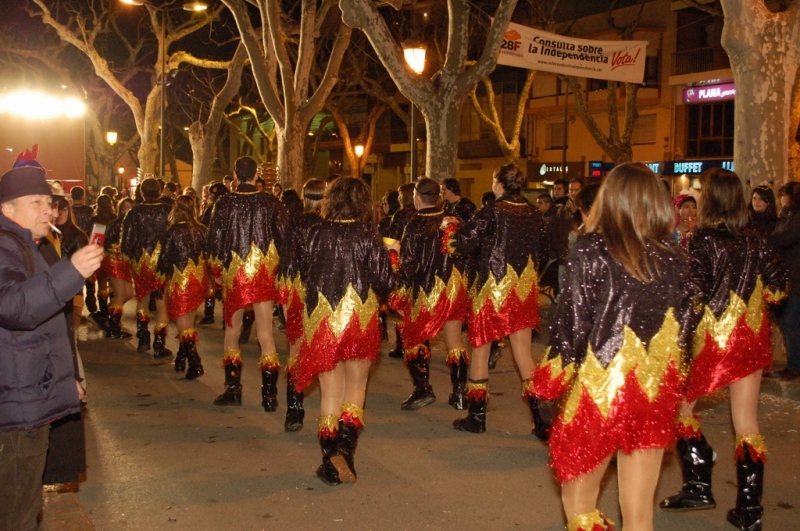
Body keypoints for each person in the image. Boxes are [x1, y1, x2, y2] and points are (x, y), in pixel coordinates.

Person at [533, 163, 691, 531]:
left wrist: (546, 387)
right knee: (639, 514)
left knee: (579, 503)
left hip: (600, 390)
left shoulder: (592, 250)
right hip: (653, 391)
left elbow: (571, 326)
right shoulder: (676, 258)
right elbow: (683, 335)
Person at [660, 169, 786, 531]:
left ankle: (698, 484)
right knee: (746, 423)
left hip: (710, 341)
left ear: (712, 200)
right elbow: (778, 289)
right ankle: (749, 511)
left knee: (682, 409)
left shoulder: (702, 240)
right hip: (749, 337)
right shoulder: (759, 240)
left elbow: (693, 294)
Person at [0, 164, 103, 531]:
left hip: (27, 395)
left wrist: (63, 381)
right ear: (7, 209)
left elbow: (43, 331)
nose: (49, 209)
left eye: (49, 201)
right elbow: (15, 308)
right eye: (36, 201)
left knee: (25, 505)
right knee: (17, 513)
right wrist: (71, 270)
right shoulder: (4, 245)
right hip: (16, 409)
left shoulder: (27, 244)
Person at [292, 177, 394, 485]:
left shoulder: (315, 232)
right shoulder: (368, 234)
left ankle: (329, 459)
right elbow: (385, 281)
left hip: (321, 317)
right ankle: (345, 451)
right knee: (356, 388)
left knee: (330, 391)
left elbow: (302, 271)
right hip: (359, 318)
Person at [446, 163, 550, 438]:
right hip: (523, 289)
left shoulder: (492, 210)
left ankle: (476, 417)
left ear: (499, 185)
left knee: (480, 349)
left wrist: (450, 231)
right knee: (523, 354)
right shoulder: (534, 214)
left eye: (494, 180)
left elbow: (463, 242)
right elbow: (543, 249)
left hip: (492, 287)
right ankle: (541, 420)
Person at [206, 156, 290, 409]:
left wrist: (216, 270)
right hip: (264, 270)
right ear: (256, 175)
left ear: (234, 173)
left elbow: (214, 239)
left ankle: (233, 389)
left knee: (232, 331)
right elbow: (285, 237)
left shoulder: (224, 202)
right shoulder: (270, 201)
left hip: (234, 270)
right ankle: (269, 396)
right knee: (265, 332)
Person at [391, 178, 469, 411]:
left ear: (417, 198)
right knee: (454, 342)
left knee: (415, 338)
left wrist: (398, 280)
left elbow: (409, 263)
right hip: (454, 287)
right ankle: (459, 393)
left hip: (427, 289)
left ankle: (422, 389)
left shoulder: (415, 224)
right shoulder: (453, 220)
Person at [281, 179, 324, 431]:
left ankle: (294, 411)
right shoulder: (330, 225)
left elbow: (287, 261)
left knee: (296, 350)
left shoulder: (294, 222)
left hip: (298, 292)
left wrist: (285, 298)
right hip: (326, 297)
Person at [120, 178, 173, 358]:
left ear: (141, 192)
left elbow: (126, 241)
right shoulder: (168, 211)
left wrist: (128, 259)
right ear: (161, 191)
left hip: (141, 261)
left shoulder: (134, 212)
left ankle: (143, 337)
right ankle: (159, 344)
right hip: (162, 262)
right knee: (161, 304)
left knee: (143, 299)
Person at [157, 195, 209, 379]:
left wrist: (160, 278)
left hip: (179, 279)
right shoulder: (202, 229)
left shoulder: (171, 232)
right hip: (198, 278)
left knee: (183, 322)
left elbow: (164, 259)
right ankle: (181, 357)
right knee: (189, 321)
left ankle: (195, 362)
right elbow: (209, 254)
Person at [766, 180, 800, 381]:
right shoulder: (788, 217)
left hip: (796, 279)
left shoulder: (795, 219)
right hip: (790, 277)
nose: (780, 200)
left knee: (791, 322)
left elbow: (782, 238)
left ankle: (795, 365)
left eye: (783, 196)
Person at [386, 182, 418, 358]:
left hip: (402, 261)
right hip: (420, 265)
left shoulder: (400, 216)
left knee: (401, 303)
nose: (397, 198)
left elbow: (392, 239)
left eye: (399, 195)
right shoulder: (419, 214)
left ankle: (402, 343)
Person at [102, 198, 135, 339]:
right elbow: (107, 242)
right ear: (121, 209)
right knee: (121, 294)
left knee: (128, 293)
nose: (128, 209)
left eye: (131, 207)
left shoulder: (133, 224)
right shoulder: (117, 224)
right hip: (114, 260)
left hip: (125, 263)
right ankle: (113, 328)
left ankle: (111, 313)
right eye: (125, 207)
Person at [198, 182, 228, 325]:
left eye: (212, 194)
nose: (210, 196)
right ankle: (218, 316)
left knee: (215, 283)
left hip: (217, 251)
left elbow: (204, 227)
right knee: (217, 284)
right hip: (224, 251)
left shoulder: (215, 208)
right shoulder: (228, 208)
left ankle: (213, 314)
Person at [87, 195, 117, 328]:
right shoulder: (115, 219)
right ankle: (113, 309)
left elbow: (91, 237)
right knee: (113, 284)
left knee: (102, 283)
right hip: (113, 254)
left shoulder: (95, 220)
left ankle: (103, 310)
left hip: (99, 253)